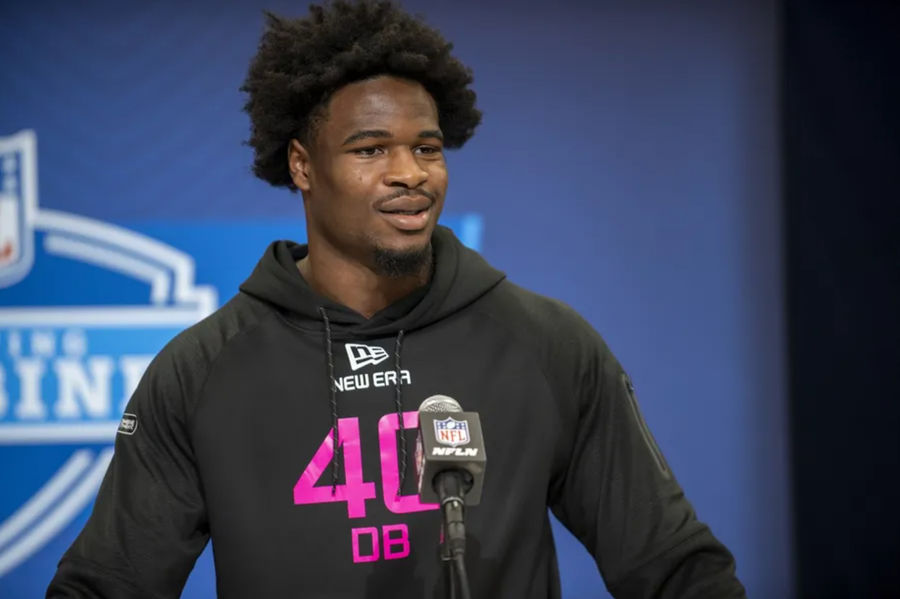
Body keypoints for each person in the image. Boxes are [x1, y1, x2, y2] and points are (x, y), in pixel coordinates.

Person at [47, 1, 746, 597]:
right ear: (301, 165)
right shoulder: (200, 373)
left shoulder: (548, 345)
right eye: (371, 149)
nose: (409, 174)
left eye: (428, 147)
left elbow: (677, 568)